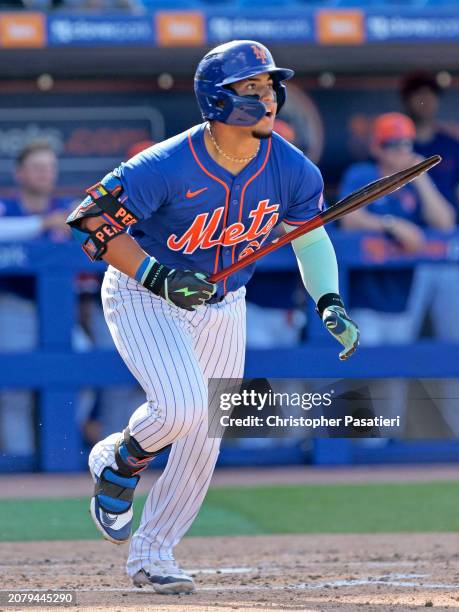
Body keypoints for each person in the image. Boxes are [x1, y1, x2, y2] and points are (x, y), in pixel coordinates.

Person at [66, 40, 359, 594]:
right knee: (179, 408)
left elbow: (310, 237)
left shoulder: (291, 168)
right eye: (252, 88)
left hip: (226, 303)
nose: (268, 98)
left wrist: (329, 301)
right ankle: (120, 459)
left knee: (205, 435)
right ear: (218, 99)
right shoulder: (166, 164)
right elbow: (89, 224)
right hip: (144, 294)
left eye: (271, 86)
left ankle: (154, 555)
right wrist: (158, 276)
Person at [339, 112, 455, 344]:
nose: (401, 150)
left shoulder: (415, 184)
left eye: (406, 143)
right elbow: (348, 218)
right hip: (365, 298)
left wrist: (420, 177)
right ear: (377, 148)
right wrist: (391, 225)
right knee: (364, 370)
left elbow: (445, 222)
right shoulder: (363, 174)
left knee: (394, 376)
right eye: (392, 144)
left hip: (401, 297)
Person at [0, 141, 73, 456]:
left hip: (61, 310)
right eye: (37, 167)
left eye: (50, 167)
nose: (45, 173)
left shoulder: (69, 207)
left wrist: (71, 223)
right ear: (20, 173)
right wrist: (43, 224)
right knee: (15, 389)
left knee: (80, 376)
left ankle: (64, 452)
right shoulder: (7, 207)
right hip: (15, 305)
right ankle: (21, 464)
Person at [400, 72, 459, 213]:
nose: (425, 100)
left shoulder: (451, 146)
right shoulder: (396, 147)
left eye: (430, 94)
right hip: (404, 225)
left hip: (446, 228)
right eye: (419, 94)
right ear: (407, 100)